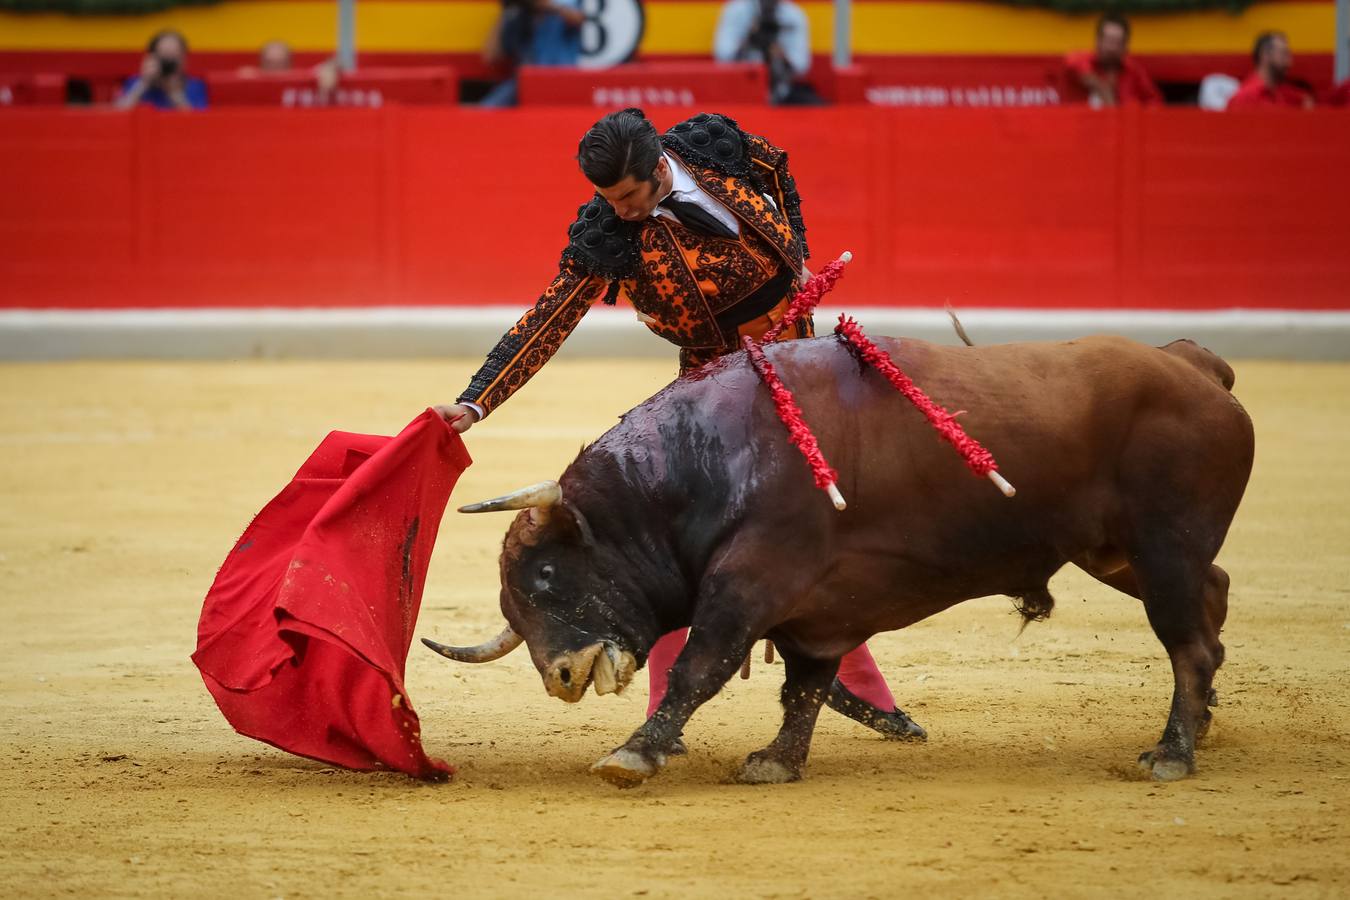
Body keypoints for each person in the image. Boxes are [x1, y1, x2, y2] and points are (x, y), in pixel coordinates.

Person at [437, 108, 924, 742]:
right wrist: (475, 402)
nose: (624, 211)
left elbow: (775, 165)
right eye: (610, 200)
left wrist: (798, 254)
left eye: (631, 196)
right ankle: (669, 708)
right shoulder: (608, 234)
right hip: (715, 391)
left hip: (804, 360)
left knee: (822, 518)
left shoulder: (710, 146)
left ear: (659, 166)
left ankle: (842, 671)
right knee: (680, 537)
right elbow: (549, 319)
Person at [480, 0, 584, 107]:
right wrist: (505, 10)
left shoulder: (563, 9)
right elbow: (491, 55)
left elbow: (579, 19)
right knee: (485, 110)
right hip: (524, 85)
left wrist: (550, 6)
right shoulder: (518, 16)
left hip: (561, 81)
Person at [713, 0, 819, 105]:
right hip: (740, 90)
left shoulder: (792, 15)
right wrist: (750, 39)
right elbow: (723, 57)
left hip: (783, 91)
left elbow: (801, 66)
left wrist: (781, 56)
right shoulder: (736, 10)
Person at [1064, 13, 1160, 107]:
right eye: (1108, 41)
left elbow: (1156, 103)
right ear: (1098, 41)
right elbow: (1070, 60)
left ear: (1125, 46)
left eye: (1117, 42)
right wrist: (1098, 85)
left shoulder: (1135, 72)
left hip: (1127, 121)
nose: (1112, 48)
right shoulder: (1085, 62)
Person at [115, 29, 208, 111]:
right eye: (163, 56)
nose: (168, 63)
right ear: (151, 58)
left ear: (184, 59)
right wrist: (144, 83)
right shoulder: (136, 83)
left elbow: (196, 121)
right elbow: (118, 115)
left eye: (174, 56)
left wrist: (175, 92)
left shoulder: (195, 86)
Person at [1226, 32, 1314, 110]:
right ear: (1265, 55)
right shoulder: (1244, 99)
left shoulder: (1289, 94)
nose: (1289, 63)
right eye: (1283, 54)